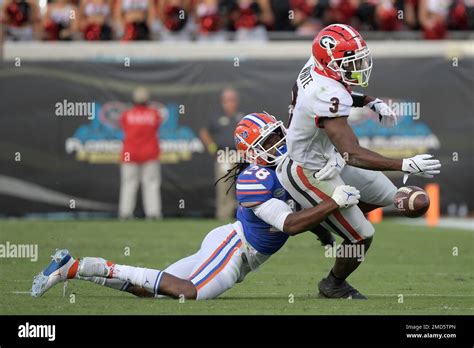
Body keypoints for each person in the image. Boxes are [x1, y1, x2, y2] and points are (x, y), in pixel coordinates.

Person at [31, 112, 361, 300]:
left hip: (240, 251)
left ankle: (78, 267)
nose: (278, 144)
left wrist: (326, 222)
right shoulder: (253, 179)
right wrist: (333, 202)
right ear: (251, 153)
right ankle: (75, 267)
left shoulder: (288, 169)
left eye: (278, 135)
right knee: (188, 293)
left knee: (154, 291)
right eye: (268, 142)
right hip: (235, 248)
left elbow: (304, 199)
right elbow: (289, 224)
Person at [276, 23, 442, 299]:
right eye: (349, 61)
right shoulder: (324, 92)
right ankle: (333, 284)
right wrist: (404, 164)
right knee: (362, 235)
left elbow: (338, 96)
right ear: (329, 61)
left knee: (389, 195)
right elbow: (352, 153)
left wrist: (368, 101)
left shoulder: (316, 67)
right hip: (308, 169)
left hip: (328, 157)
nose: (358, 66)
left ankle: (326, 217)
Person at [199, 87, 244, 221]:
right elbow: (204, 132)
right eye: (227, 100)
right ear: (222, 102)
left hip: (241, 155)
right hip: (224, 155)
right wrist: (212, 147)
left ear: (236, 101)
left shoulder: (241, 116)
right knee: (224, 186)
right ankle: (223, 215)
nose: (230, 103)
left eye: (232, 100)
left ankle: (245, 216)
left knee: (246, 184)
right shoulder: (216, 117)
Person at [118, 86, 163, 219]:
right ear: (147, 100)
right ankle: (153, 213)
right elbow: (156, 127)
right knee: (151, 184)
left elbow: (125, 127)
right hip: (149, 153)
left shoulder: (126, 114)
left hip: (129, 154)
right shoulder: (154, 114)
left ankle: (125, 213)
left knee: (128, 184)